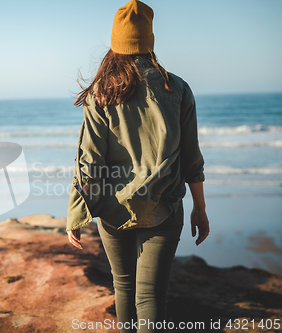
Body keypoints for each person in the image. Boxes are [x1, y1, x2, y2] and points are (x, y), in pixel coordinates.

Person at [66, 1, 210, 332]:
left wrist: (76, 213)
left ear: (116, 43)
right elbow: (192, 158)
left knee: (124, 287)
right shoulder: (177, 88)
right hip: (165, 206)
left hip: (113, 208)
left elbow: (89, 161)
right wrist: (200, 209)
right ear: (150, 42)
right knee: (151, 296)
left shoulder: (100, 93)